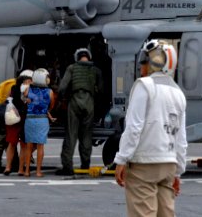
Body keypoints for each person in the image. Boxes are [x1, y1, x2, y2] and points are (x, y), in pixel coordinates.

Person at [114, 39, 187, 217]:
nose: (141, 67)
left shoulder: (143, 86)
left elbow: (134, 127)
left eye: (144, 62)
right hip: (168, 163)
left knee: (143, 213)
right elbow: (180, 138)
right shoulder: (178, 93)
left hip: (144, 164)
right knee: (166, 213)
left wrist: (122, 159)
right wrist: (178, 171)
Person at [56, 48, 103, 175]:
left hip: (75, 101)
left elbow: (62, 88)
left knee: (71, 135)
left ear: (77, 57)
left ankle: (67, 167)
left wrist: (61, 100)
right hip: (89, 103)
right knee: (86, 135)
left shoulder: (72, 68)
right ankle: (85, 165)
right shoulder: (95, 70)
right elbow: (101, 89)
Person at [23, 68, 56, 177]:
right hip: (42, 119)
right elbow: (51, 105)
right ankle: (38, 171)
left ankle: (27, 171)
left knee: (29, 145)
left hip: (29, 118)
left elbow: (23, 99)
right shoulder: (50, 92)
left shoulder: (28, 90)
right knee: (40, 146)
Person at [3, 70, 33, 176]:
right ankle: (18, 169)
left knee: (13, 143)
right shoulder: (27, 90)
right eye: (29, 80)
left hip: (14, 117)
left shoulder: (14, 88)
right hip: (22, 117)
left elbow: (8, 100)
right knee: (22, 144)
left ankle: (9, 167)